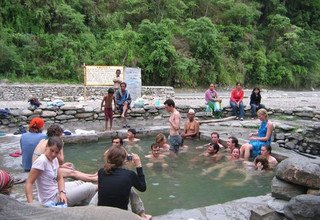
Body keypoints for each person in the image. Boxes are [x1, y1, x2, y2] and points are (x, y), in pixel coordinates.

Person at [25, 137, 97, 206]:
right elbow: (29, 183)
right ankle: (85, 208)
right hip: (51, 199)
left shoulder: (54, 159)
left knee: (80, 183)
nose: (53, 154)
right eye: (51, 150)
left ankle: (80, 204)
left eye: (56, 152)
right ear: (46, 146)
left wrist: (62, 192)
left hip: (57, 190)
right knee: (90, 187)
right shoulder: (41, 161)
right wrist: (31, 205)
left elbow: (60, 178)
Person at [32, 124, 97, 182]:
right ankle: (94, 179)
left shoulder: (43, 141)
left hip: (41, 168)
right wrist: (61, 146)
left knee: (70, 167)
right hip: (42, 173)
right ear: (57, 136)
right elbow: (61, 161)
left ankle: (91, 176)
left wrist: (61, 166)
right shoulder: (52, 145)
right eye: (61, 137)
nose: (62, 138)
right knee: (72, 172)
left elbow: (49, 161)